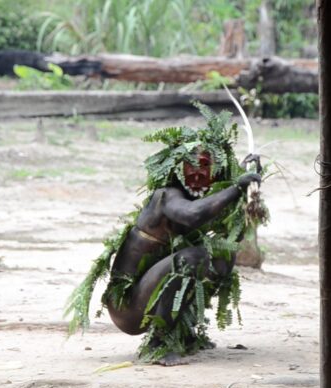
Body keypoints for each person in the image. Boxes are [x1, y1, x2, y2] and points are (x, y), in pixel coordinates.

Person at [65, 104, 267, 365]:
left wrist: (245, 180)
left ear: (215, 170)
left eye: (204, 166)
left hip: (148, 296)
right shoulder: (166, 197)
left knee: (221, 258)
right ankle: (160, 343)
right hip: (129, 307)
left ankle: (182, 333)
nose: (196, 173)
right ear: (175, 170)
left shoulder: (203, 196)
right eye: (189, 166)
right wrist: (235, 189)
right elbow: (193, 214)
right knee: (192, 258)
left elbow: (219, 221)